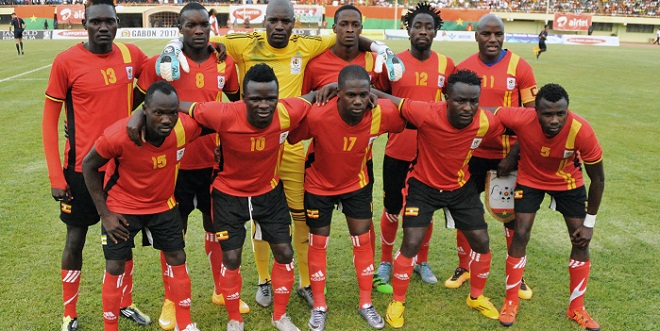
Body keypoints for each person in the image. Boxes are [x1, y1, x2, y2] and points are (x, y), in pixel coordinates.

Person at [154, 0, 404, 309]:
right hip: (250, 144)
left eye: (286, 21)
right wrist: (172, 44)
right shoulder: (242, 43)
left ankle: (305, 282)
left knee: (300, 217)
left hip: (292, 142)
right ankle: (263, 281)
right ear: (265, 20)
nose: (280, 26)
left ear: (294, 22)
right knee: (258, 214)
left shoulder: (306, 43)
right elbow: (201, 36)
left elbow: (347, 36)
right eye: (274, 20)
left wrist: (380, 47)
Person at [132, 63, 317, 331]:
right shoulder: (222, 113)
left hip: (268, 192)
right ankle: (234, 319)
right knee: (231, 258)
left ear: (279, 98)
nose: (264, 105)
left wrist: (331, 89)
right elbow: (181, 106)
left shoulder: (288, 112)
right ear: (243, 98)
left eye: (270, 99)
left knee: (285, 252)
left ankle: (280, 316)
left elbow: (310, 98)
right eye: (255, 99)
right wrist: (141, 113)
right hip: (229, 194)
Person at [133, 3, 246, 329]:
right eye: (190, 26)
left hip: (212, 163)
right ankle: (171, 300)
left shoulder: (226, 63)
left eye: (203, 26)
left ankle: (221, 290)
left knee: (216, 228)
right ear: (179, 28)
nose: (198, 31)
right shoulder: (161, 65)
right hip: (171, 167)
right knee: (173, 235)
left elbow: (236, 109)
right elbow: (136, 108)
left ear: (210, 29)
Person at [41, 0, 150, 330]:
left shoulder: (131, 55)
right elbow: (49, 121)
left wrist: (137, 113)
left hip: (122, 170)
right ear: (84, 24)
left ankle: (125, 303)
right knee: (75, 241)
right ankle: (69, 313)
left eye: (110, 21)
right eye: (96, 22)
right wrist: (55, 175)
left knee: (123, 239)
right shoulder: (66, 61)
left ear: (118, 23)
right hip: (80, 170)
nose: (103, 27)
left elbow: (159, 73)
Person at [375, 69, 506, 328]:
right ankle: (398, 301)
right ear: (446, 96)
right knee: (412, 241)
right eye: (460, 100)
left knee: (481, 240)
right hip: (422, 186)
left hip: (460, 188)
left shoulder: (486, 121)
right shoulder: (425, 112)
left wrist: (511, 159)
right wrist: (361, 90)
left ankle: (476, 297)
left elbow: (521, 124)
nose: (467, 107)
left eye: (473, 101)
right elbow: (390, 99)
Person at [290, 65, 406, 331]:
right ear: (337, 93)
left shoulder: (381, 113)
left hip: (356, 183)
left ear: (371, 95)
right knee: (318, 242)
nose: (357, 101)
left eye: (363, 95)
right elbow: (293, 135)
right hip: (319, 185)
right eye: (350, 95)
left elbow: (413, 116)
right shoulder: (318, 115)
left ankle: (366, 303)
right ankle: (319, 305)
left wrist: (381, 95)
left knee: (362, 240)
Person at [82, 81, 201, 331]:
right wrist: (105, 214)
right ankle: (109, 327)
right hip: (122, 208)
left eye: (172, 112)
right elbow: (89, 165)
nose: (166, 119)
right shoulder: (119, 135)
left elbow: (217, 117)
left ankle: (185, 323)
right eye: (159, 112)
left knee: (177, 257)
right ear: (145, 110)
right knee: (115, 265)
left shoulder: (184, 128)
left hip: (163, 205)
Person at [494, 83, 604, 331]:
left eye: (560, 113)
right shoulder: (521, 117)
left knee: (580, 240)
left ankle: (576, 308)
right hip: (530, 179)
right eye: (547, 114)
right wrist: (512, 154)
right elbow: (489, 111)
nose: (554, 120)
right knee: (520, 233)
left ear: (568, 110)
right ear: (536, 112)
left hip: (567, 182)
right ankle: (511, 301)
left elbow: (598, 180)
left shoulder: (581, 131)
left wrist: (589, 224)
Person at [300, 4, 393, 296]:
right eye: (345, 25)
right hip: (323, 161)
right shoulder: (315, 64)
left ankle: (373, 274)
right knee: (317, 230)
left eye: (356, 25)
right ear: (334, 28)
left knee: (362, 224)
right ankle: (310, 284)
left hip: (360, 160)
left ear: (362, 28)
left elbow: (386, 100)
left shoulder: (374, 61)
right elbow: (303, 108)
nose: (350, 30)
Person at [452, 13, 537, 300]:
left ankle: (517, 275)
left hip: (508, 157)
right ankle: (464, 267)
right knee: (465, 210)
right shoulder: (463, 68)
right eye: (486, 34)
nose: (492, 39)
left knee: (512, 217)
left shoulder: (520, 67)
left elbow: (532, 116)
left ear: (504, 36)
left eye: (498, 34)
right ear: (476, 35)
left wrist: (514, 155)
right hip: (471, 154)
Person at [374, 1, 455, 287]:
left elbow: (455, 104)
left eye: (428, 27)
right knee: (393, 207)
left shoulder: (447, 65)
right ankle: (385, 261)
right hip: (398, 149)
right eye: (418, 26)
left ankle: (422, 261)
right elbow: (379, 96)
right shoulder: (392, 61)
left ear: (436, 32)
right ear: (408, 29)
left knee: (425, 208)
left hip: (431, 153)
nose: (423, 31)